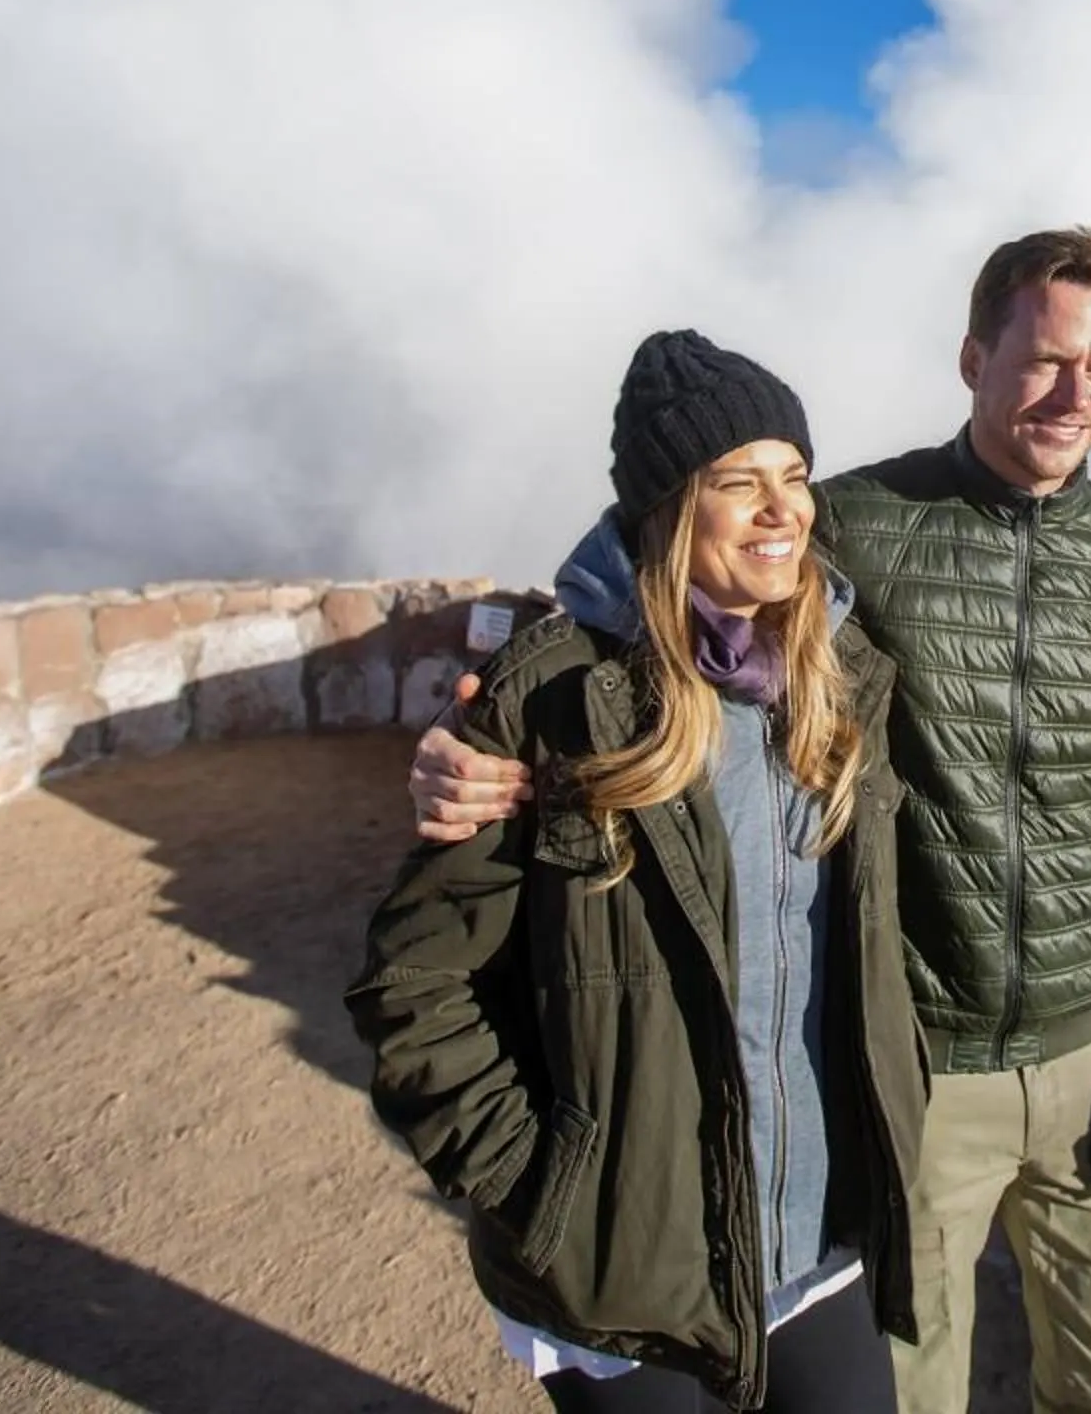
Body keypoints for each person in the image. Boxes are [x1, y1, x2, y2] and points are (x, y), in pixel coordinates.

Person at [415, 228, 1091, 1414]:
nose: (1073, 393)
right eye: (1048, 358)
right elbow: (652, 581)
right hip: (919, 1065)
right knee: (913, 1380)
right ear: (973, 357)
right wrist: (482, 731)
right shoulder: (855, 523)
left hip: (1089, 1062)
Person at [349, 331, 927, 1414]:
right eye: (737, 481)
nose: (783, 509)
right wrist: (544, 1185)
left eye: (795, 476)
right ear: (670, 506)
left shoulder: (838, 681)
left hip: (817, 1222)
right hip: (627, 1258)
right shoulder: (559, 697)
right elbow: (414, 988)